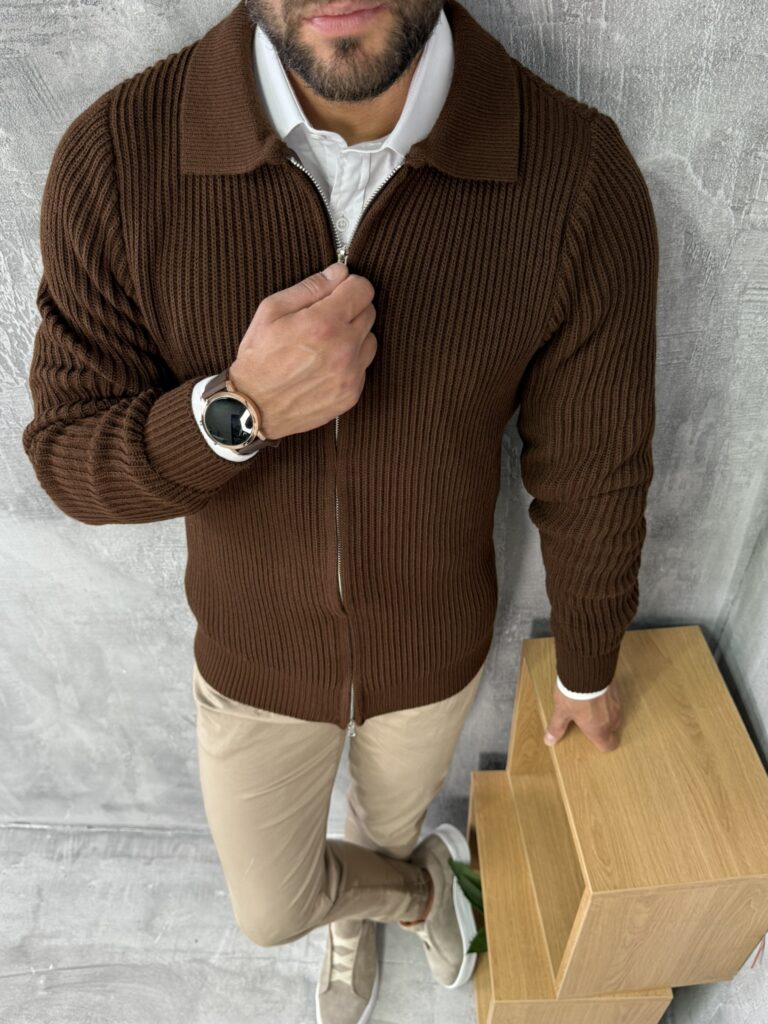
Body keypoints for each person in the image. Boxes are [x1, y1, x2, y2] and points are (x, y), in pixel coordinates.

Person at [21, 0, 655, 1020]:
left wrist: (589, 661)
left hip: (434, 653)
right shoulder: (117, 159)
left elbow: (594, 463)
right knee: (272, 908)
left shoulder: (577, 176)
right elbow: (66, 457)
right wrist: (241, 410)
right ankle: (414, 896)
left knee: (382, 826)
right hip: (253, 660)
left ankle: (361, 910)